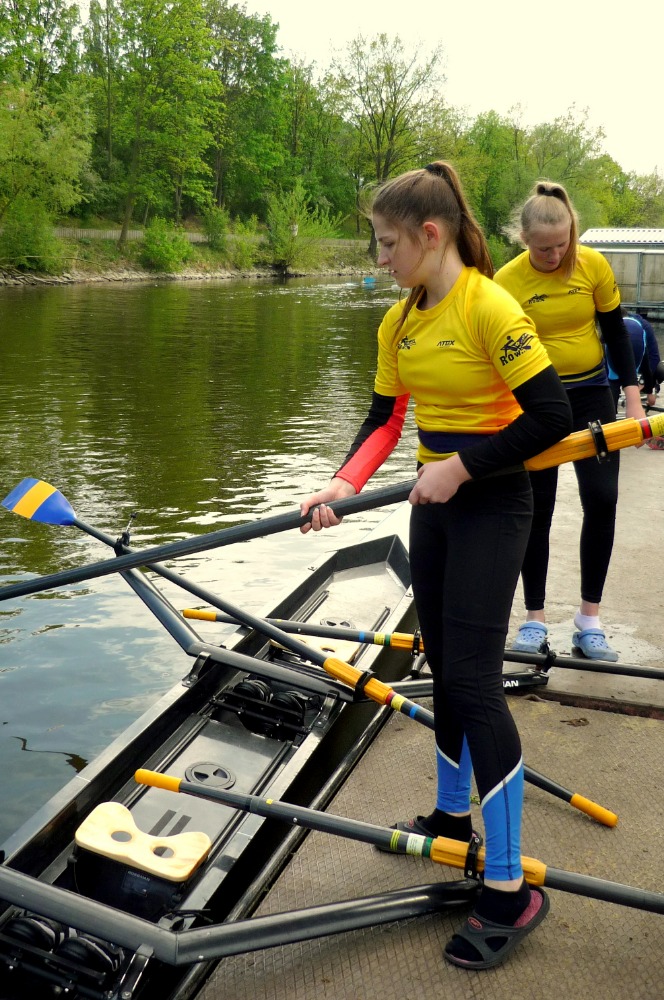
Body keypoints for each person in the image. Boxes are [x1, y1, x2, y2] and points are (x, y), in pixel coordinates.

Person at [299, 162, 572, 970]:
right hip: (437, 507)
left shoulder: (491, 307)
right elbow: (385, 419)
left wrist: (460, 465)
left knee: (476, 685)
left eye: (387, 243)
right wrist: (342, 484)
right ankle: (453, 820)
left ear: (430, 234)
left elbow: (551, 417)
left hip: (492, 503)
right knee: (443, 668)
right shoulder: (398, 322)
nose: (380, 257)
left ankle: (510, 887)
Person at [494, 181, 646, 663]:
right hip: (536, 405)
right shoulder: (506, 282)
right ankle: (534, 620)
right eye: (544, 248)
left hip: (592, 396)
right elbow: (493, 355)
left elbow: (616, 333)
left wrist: (634, 403)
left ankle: (589, 621)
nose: (556, 255)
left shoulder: (593, 265)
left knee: (602, 499)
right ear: (523, 239)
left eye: (563, 244)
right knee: (536, 508)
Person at [607, 308, 661, 411]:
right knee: (631, 380)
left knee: (612, 379)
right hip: (638, 344)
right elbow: (647, 367)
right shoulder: (642, 325)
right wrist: (650, 392)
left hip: (617, 344)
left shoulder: (611, 323)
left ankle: (611, 412)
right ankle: (635, 407)